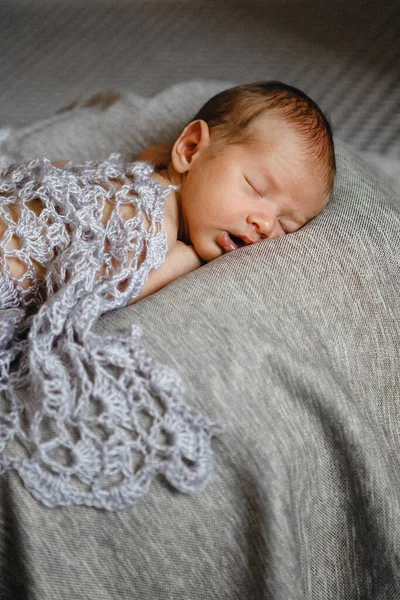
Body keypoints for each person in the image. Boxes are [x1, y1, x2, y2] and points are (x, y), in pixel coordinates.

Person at [1, 80, 336, 305]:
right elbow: (113, 288)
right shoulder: (156, 221)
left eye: (288, 225)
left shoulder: (152, 172)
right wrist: (188, 258)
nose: (265, 224)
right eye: (256, 188)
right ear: (190, 149)